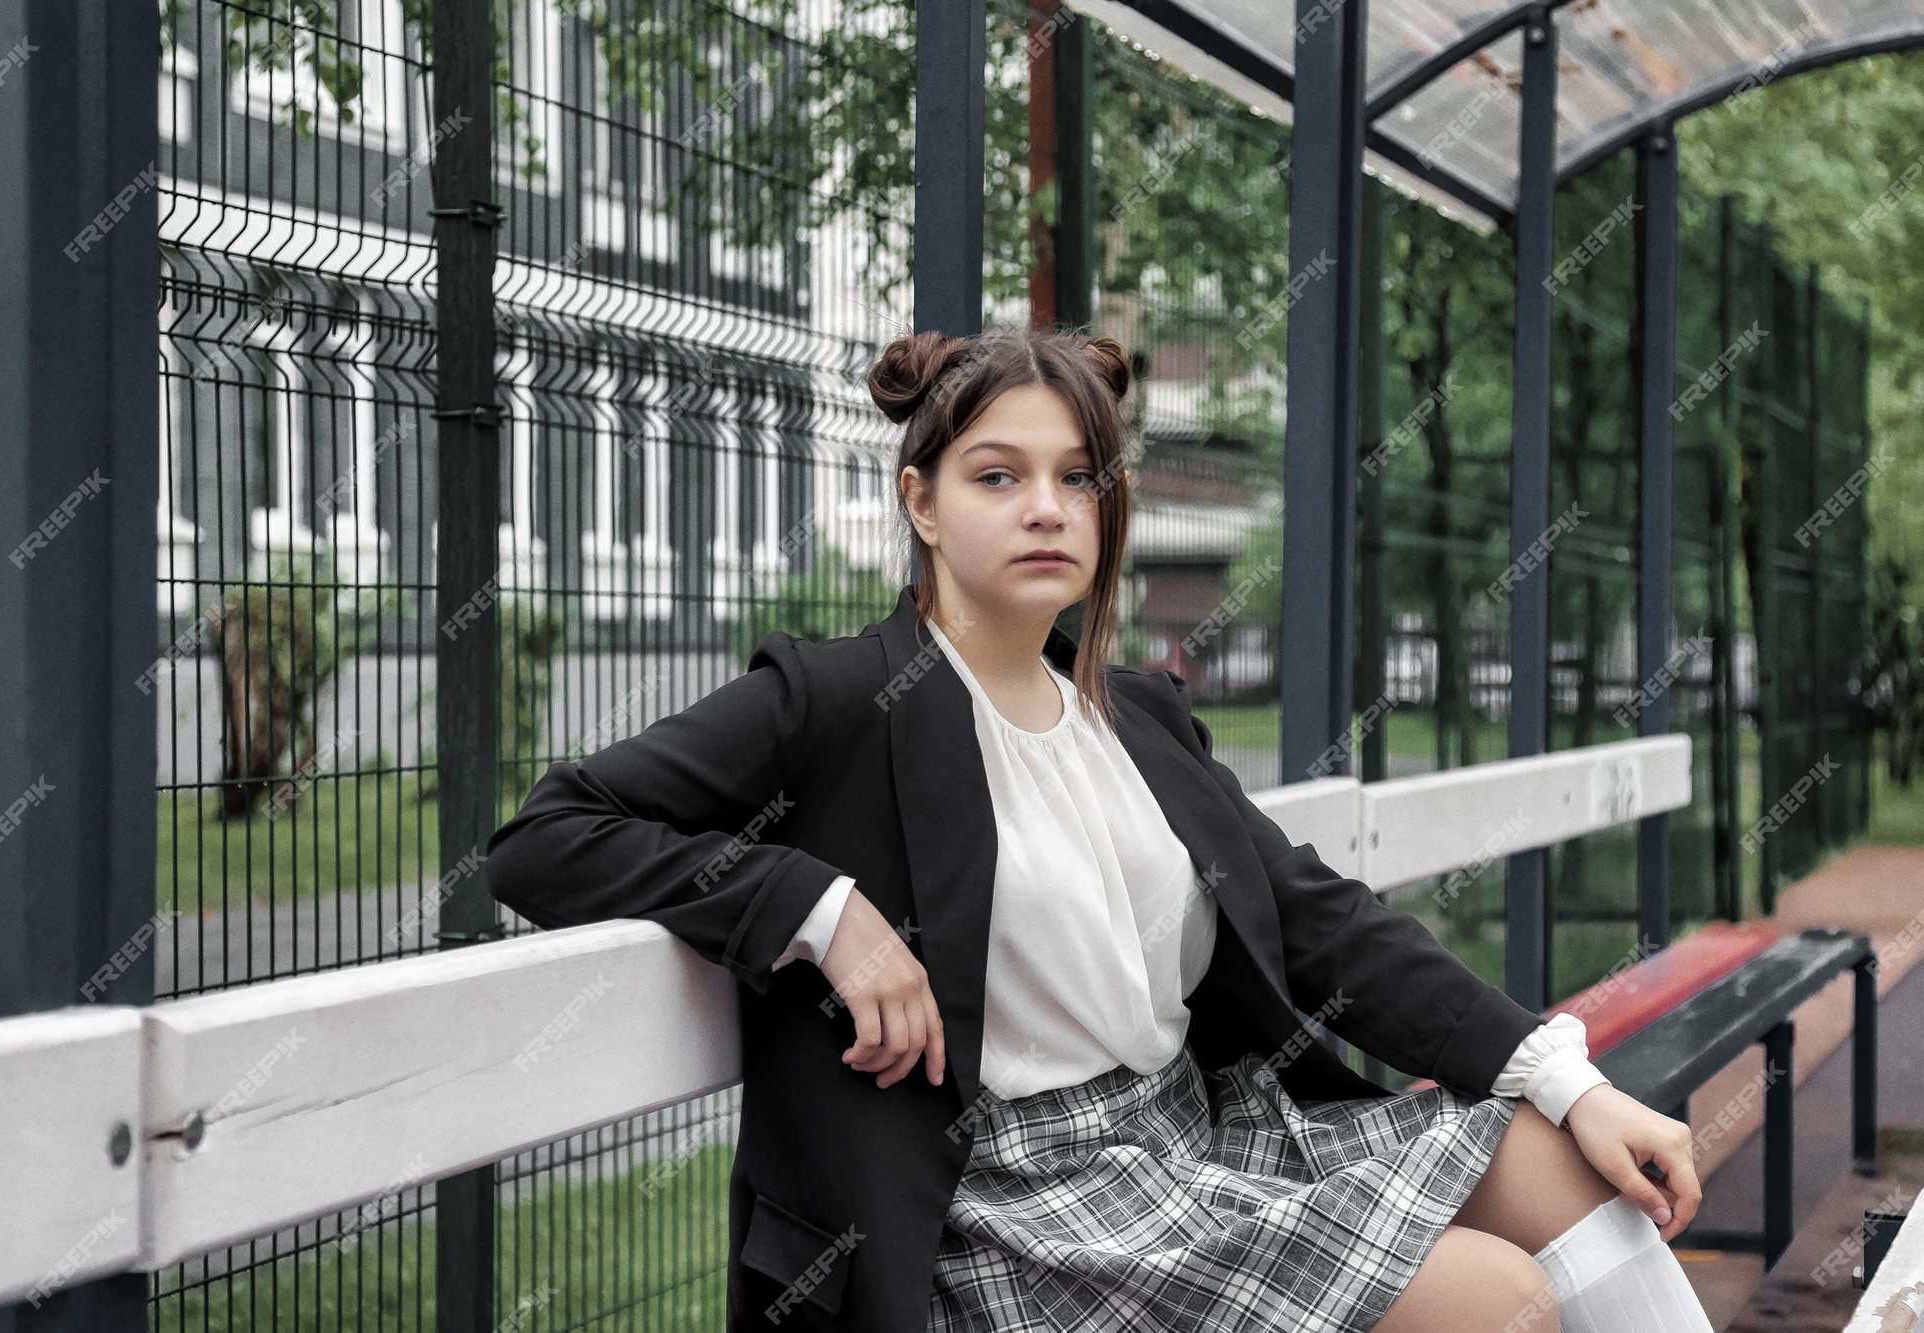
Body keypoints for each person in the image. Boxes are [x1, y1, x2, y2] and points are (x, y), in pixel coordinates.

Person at [483, 325, 1713, 1332]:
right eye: (997, 475)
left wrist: (1569, 1079)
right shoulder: (842, 698)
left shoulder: (1130, 714)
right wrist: (823, 914)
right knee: (1496, 1305)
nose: (1046, 508)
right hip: (1018, 1209)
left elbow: (1315, 918)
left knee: (1566, 1161)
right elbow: (545, 834)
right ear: (918, 500)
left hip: (1194, 1132)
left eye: (1077, 476)